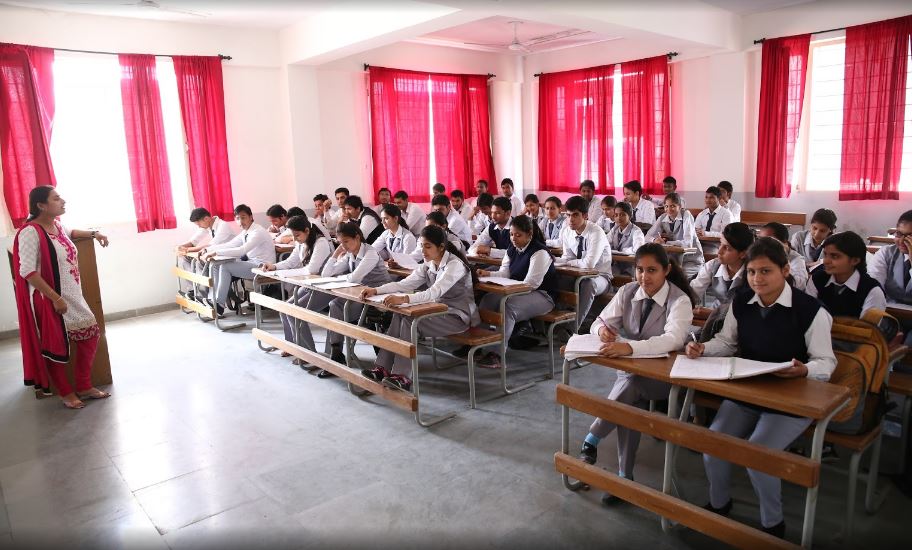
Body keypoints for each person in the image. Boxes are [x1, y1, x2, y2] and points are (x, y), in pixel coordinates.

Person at [686, 237, 836, 539]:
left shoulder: (810, 310)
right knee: (714, 445)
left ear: (785, 270)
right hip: (749, 391)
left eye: (766, 271)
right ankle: (719, 504)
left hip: (792, 398)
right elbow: (727, 342)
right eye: (752, 271)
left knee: (758, 457)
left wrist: (805, 369)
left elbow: (826, 362)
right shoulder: (742, 301)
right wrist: (703, 348)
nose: (757, 279)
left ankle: (772, 524)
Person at [578, 243, 695, 504]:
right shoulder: (628, 291)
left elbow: (673, 340)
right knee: (630, 401)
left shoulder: (679, 300)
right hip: (631, 373)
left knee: (631, 388)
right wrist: (602, 331)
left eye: (652, 270)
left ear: (666, 270)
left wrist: (629, 347)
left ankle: (592, 438)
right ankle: (624, 477)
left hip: (665, 378)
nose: (644, 277)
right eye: (640, 270)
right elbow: (599, 321)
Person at [13, 185, 111, 409]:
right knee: (56, 347)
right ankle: (66, 392)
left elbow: (71, 232)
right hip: (48, 297)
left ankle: (84, 386)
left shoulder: (56, 224)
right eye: (56, 198)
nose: (63, 201)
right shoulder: (30, 232)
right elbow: (27, 270)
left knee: (90, 335)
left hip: (72, 294)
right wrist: (55, 298)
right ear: (41, 205)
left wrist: (94, 234)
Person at [360, 225, 480, 391]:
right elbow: (404, 284)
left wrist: (404, 299)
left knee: (410, 322)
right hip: (439, 311)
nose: (423, 251)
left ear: (441, 247)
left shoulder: (455, 265)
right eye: (421, 245)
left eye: (428, 246)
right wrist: (376, 290)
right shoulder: (429, 264)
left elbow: (434, 292)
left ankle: (403, 376)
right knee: (399, 315)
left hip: (458, 316)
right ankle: (382, 368)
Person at [297, 222, 391, 378]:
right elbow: (326, 274)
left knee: (339, 308)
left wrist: (341, 277)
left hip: (378, 298)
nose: (344, 246)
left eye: (346, 241)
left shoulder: (370, 253)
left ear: (357, 237)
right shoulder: (350, 254)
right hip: (360, 296)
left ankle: (338, 354)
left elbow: (355, 278)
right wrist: (335, 255)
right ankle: (336, 353)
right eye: (341, 243)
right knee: (334, 304)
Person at [476, 215, 558, 367]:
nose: (513, 238)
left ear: (529, 234)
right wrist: (488, 274)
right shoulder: (512, 249)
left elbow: (531, 284)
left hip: (542, 295)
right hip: (519, 291)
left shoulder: (539, 252)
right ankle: (478, 346)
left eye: (518, 235)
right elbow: (505, 273)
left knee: (507, 308)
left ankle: (496, 354)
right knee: (488, 299)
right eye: (511, 234)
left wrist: (509, 290)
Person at [260, 216, 333, 355]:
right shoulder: (301, 243)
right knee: (284, 309)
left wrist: (285, 274)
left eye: (297, 235)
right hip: (309, 286)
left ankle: (308, 353)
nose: (295, 239)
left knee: (295, 313)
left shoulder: (321, 242)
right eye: (293, 235)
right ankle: (292, 346)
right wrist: (274, 267)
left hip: (324, 288)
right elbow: (291, 262)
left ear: (307, 230)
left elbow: (311, 270)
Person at [202, 204, 274, 315]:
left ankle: (219, 304)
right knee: (216, 265)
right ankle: (213, 299)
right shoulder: (246, 232)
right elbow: (230, 244)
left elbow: (242, 250)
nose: (240, 221)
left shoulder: (257, 231)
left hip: (263, 267)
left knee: (225, 267)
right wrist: (208, 249)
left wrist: (216, 252)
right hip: (252, 263)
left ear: (251, 217)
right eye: (237, 218)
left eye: (243, 217)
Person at [690, 222, 755, 340]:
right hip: (714, 321)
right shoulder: (713, 266)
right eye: (720, 244)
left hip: (741, 329)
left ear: (743, 253)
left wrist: (712, 313)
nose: (719, 251)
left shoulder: (753, 274)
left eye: (727, 248)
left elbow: (748, 312)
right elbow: (692, 293)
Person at [558, 196, 613, 331]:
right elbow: (567, 258)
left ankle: (572, 329)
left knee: (588, 284)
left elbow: (589, 264)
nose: (570, 219)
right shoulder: (567, 231)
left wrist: (570, 262)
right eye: (568, 215)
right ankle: (554, 325)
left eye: (575, 215)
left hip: (601, 277)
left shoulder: (596, 232)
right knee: (554, 278)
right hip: (578, 276)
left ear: (585, 216)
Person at [806, 231, 886, 319]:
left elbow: (867, 326)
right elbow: (807, 317)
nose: (826, 261)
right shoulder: (817, 279)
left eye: (834, 256)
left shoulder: (872, 290)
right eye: (825, 255)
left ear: (855, 260)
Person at [866, 209, 912, 348]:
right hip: (890, 314)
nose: (902, 241)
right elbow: (874, 286)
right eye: (899, 234)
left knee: (908, 349)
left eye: (910, 236)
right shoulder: (886, 253)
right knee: (878, 344)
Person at [176, 207, 236, 299]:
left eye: (199, 224)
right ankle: (194, 289)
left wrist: (187, 250)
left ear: (206, 218)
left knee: (199, 262)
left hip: (229, 257)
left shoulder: (223, 226)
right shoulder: (207, 225)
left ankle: (202, 295)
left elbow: (211, 245)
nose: (199, 227)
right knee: (186, 259)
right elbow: (193, 241)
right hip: (215, 256)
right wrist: (180, 247)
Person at [646, 193, 704, 278]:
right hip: (674, 261)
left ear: (679, 207)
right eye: (666, 206)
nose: (669, 209)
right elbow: (647, 237)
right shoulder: (663, 217)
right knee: (659, 275)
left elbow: (688, 244)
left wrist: (666, 242)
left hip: (691, 260)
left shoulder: (686, 215)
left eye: (672, 206)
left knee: (679, 278)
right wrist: (654, 240)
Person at [758, 222, 809, 290]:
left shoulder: (795, 258)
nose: (763, 245)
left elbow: (800, 285)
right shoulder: (758, 256)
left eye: (768, 241)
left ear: (783, 242)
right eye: (761, 240)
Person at [606, 202, 645, 276]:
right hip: (615, 265)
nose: (618, 218)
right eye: (616, 215)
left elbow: (638, 250)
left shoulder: (636, 231)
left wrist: (624, 251)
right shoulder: (615, 229)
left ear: (630, 216)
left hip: (630, 268)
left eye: (622, 215)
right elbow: (604, 243)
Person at [694, 186, 733, 255]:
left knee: (707, 253)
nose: (708, 200)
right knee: (689, 253)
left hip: (716, 245)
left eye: (711, 197)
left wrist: (705, 233)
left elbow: (725, 235)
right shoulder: (702, 214)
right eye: (706, 197)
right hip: (699, 243)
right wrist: (697, 232)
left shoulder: (726, 214)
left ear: (719, 198)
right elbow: (696, 230)